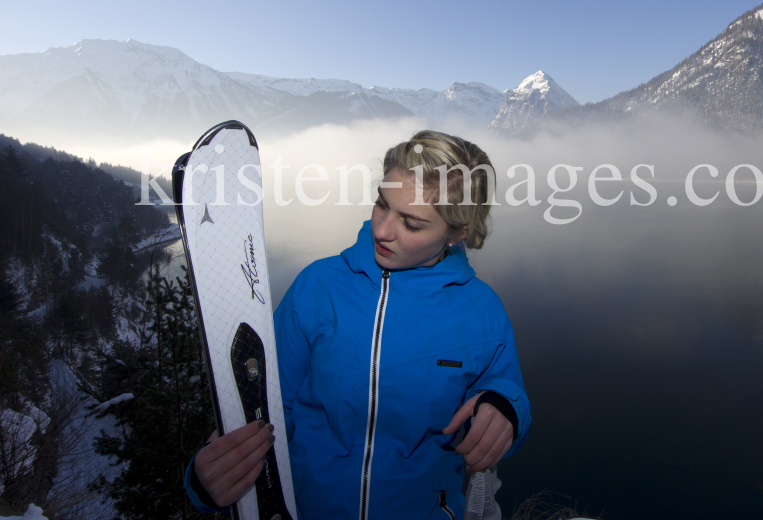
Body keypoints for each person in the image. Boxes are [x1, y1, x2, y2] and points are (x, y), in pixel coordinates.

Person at [184, 130, 531, 519]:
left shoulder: (481, 313)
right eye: (382, 204)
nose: (382, 230)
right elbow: (265, 410)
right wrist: (207, 482)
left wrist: (505, 409)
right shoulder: (318, 287)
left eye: (412, 224)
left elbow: (504, 390)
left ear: (456, 233)